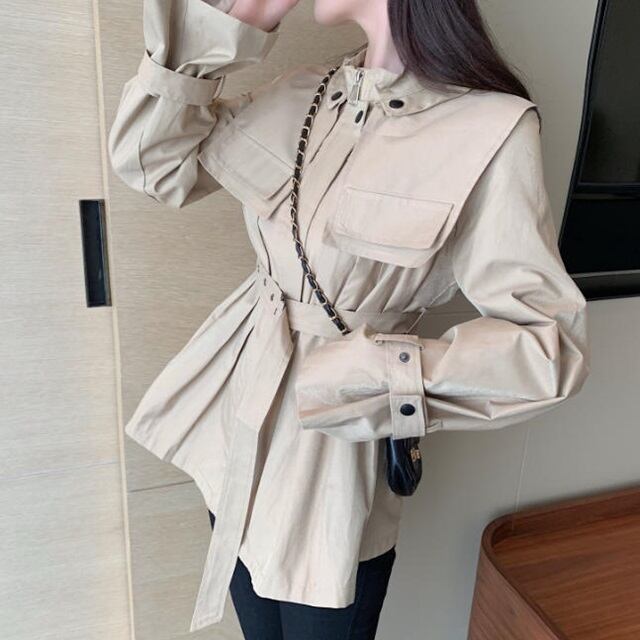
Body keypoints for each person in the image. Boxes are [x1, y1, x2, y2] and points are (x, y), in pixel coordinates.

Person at [107, 0, 591, 638]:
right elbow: (152, 165)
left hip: (332, 467)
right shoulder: (306, 94)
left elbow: (549, 344)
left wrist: (379, 375)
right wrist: (233, 22)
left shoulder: (488, 128)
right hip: (234, 438)